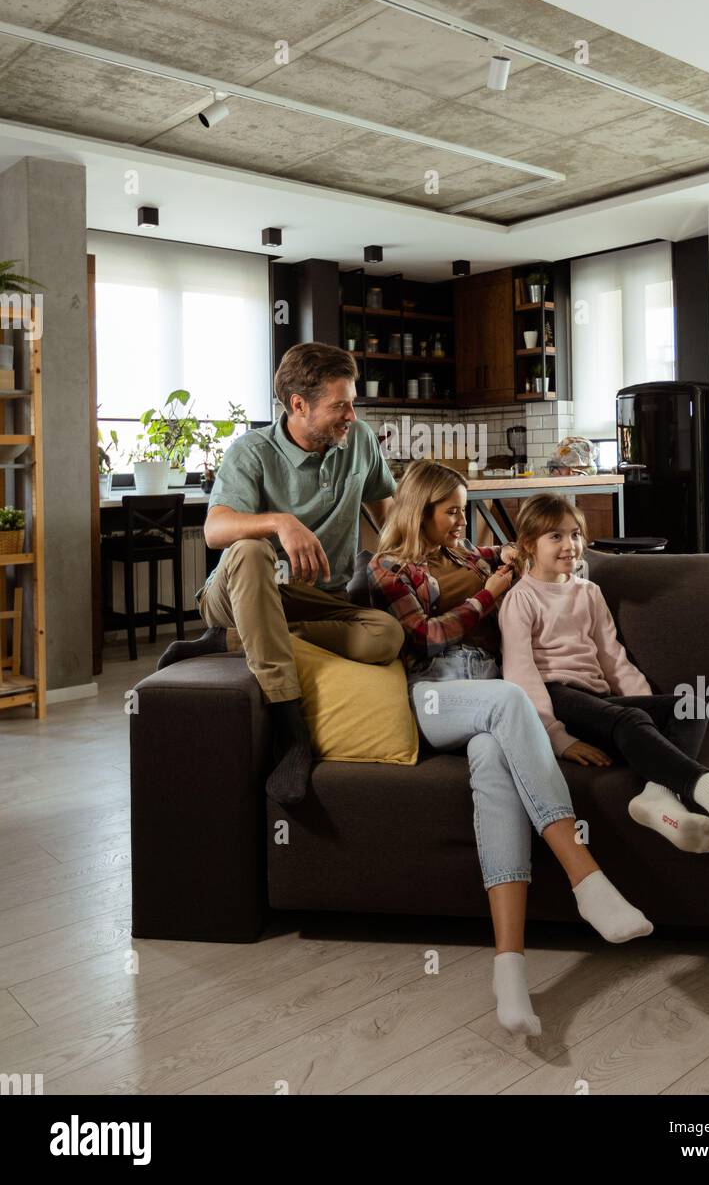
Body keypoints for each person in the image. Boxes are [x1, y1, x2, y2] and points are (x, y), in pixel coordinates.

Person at [368, 459, 654, 1040]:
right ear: (421, 511)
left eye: (464, 509)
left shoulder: (476, 557)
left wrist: (524, 560)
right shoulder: (389, 566)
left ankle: (509, 971)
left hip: (492, 692)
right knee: (508, 702)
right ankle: (585, 877)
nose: (461, 520)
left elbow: (540, 565)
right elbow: (428, 635)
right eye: (451, 510)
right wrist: (492, 589)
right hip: (437, 694)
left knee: (495, 763)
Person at [158, 342, 403, 806]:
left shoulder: (360, 441)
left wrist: (408, 559)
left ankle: (230, 641)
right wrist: (280, 522)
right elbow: (214, 530)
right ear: (298, 406)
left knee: (385, 636)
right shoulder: (251, 452)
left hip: (315, 597)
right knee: (250, 550)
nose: (351, 414)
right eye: (340, 405)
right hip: (238, 593)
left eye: (352, 403)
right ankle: (290, 725)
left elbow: (387, 517)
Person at [498, 493, 709, 847]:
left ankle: (658, 796)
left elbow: (612, 657)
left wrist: (644, 705)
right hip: (555, 696)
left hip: (598, 702)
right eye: (554, 536)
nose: (569, 545)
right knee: (631, 721)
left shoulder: (589, 592)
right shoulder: (520, 598)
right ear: (528, 544)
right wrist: (557, 737)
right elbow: (520, 674)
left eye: (575, 534)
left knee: (692, 705)